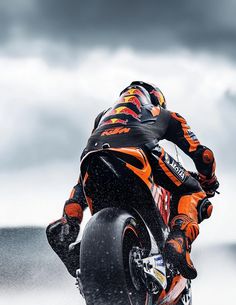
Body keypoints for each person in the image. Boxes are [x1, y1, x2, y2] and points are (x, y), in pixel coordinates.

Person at [46, 81, 219, 280]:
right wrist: (209, 180)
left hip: (92, 155)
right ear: (157, 100)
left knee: (86, 180)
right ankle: (179, 239)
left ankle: (68, 223)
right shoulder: (162, 113)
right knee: (193, 191)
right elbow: (204, 155)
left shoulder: (103, 116)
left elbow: (104, 151)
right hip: (141, 149)